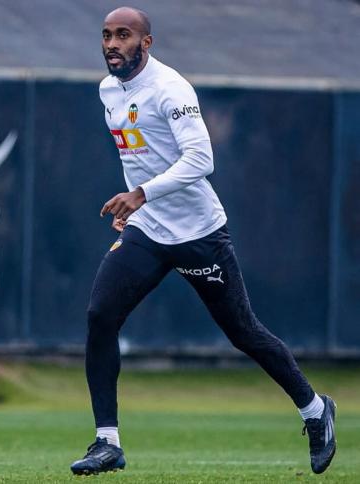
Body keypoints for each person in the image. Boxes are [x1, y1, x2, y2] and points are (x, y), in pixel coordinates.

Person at [70, 6, 337, 476]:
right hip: (148, 230)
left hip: (199, 234)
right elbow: (142, 153)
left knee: (244, 332)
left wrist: (140, 194)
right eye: (107, 35)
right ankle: (106, 442)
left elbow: (201, 158)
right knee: (100, 315)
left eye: (124, 35)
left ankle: (315, 410)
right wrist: (137, 207)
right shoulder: (107, 89)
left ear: (146, 43)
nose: (112, 44)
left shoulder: (171, 89)